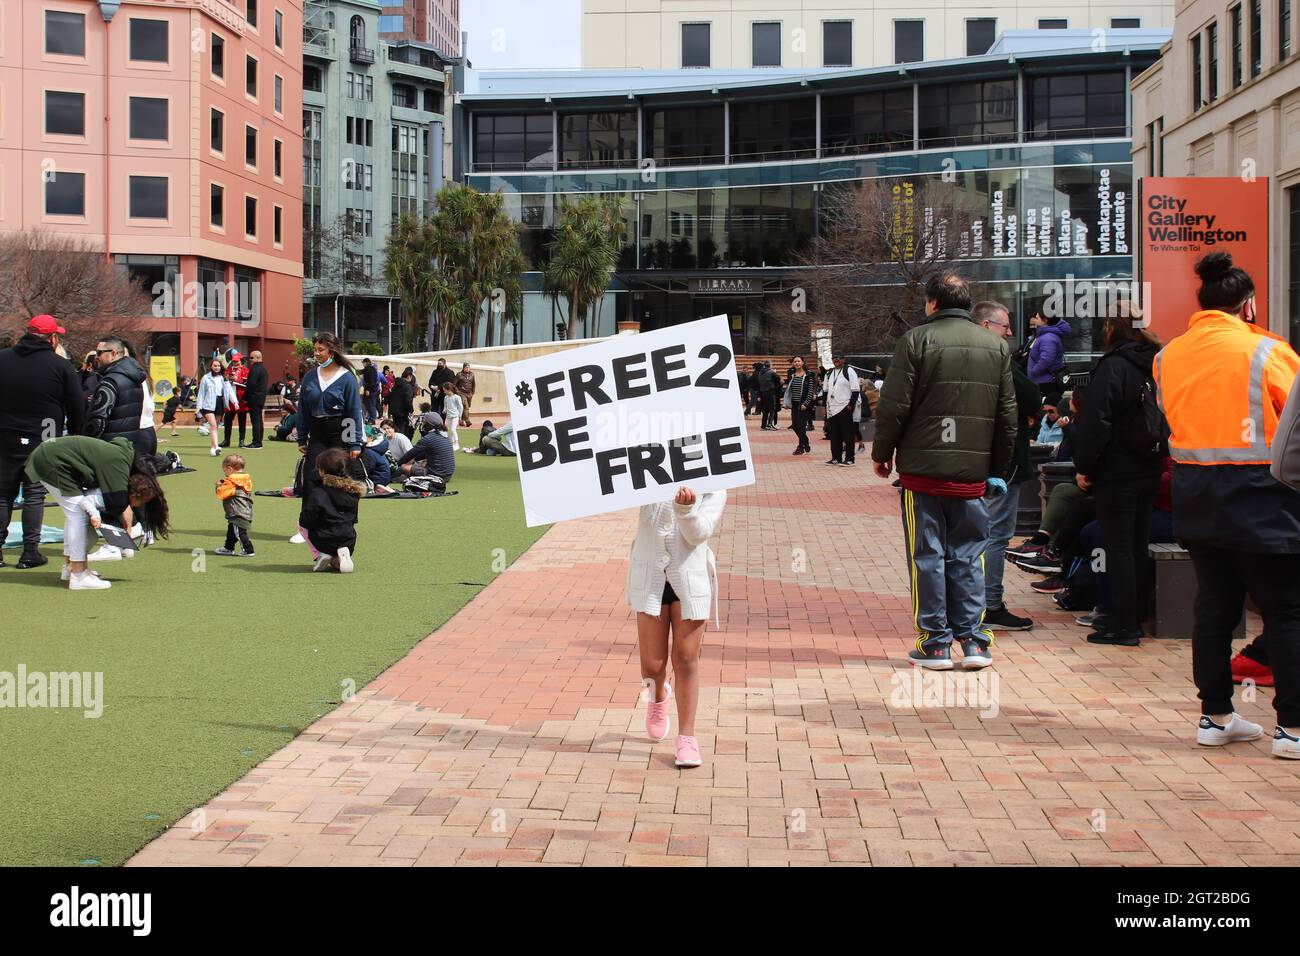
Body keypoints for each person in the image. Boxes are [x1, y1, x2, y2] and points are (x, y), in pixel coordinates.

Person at [1153, 251, 1300, 757]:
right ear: (1249, 305)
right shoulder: (1267, 352)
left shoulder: (1168, 356)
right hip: (1264, 501)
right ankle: (1293, 730)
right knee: (1286, 611)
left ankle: (1215, 717)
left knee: (1213, 609)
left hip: (1196, 499)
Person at [872, 271, 1016, 670]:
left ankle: (935, 643)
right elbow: (1007, 415)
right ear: (967, 305)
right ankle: (973, 641)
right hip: (972, 473)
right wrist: (999, 468)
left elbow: (893, 406)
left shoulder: (916, 341)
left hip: (923, 472)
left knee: (928, 556)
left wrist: (882, 454)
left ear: (932, 302)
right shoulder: (995, 346)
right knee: (970, 555)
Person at [1071, 305, 1163, 647]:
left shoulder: (1114, 366)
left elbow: (1099, 421)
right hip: (1150, 467)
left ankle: (1123, 625)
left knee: (1119, 548)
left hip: (1118, 470)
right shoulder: (1156, 362)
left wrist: (1086, 466)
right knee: (1136, 546)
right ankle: (1134, 616)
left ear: (1112, 327)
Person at [628, 485, 725, 769]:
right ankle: (658, 699)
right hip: (649, 577)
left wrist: (685, 509)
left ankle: (687, 737)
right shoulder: (645, 467)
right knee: (652, 665)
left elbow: (699, 534)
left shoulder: (715, 482)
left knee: (685, 658)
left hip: (689, 578)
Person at [24, 435, 169, 590]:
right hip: (51, 460)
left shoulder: (121, 459)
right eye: (142, 502)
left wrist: (123, 530)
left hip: (49, 455)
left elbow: (120, 505)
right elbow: (118, 504)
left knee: (76, 515)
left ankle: (71, 568)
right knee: (77, 516)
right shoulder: (117, 467)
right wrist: (98, 517)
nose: (140, 506)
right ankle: (78, 575)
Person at [973, 301, 1040, 632]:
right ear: (986, 326)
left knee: (968, 535)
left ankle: (969, 604)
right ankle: (990, 604)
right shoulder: (996, 359)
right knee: (996, 535)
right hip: (1001, 462)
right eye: (1005, 327)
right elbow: (1032, 397)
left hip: (967, 459)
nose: (1010, 333)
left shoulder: (960, 357)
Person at [0, 315, 85, 570]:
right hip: (44, 435)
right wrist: (78, 435)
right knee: (34, 493)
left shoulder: (3, 358)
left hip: (5, 434)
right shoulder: (60, 366)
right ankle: (30, 552)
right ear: (52, 338)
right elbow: (77, 406)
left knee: (3, 494)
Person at [296, 333, 365, 556]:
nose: (316, 354)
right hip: (317, 434)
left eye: (320, 350)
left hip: (340, 433)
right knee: (312, 478)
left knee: (343, 479)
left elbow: (353, 411)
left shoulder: (347, 378)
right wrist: (302, 437)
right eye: (315, 350)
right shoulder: (309, 377)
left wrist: (354, 443)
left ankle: (346, 523)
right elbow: (303, 409)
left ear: (332, 351)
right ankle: (307, 524)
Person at [85, 336, 155, 458]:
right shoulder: (136, 378)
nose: (96, 356)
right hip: (131, 443)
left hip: (110, 447)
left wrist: (85, 442)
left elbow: (97, 420)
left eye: (99, 352)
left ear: (113, 354)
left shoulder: (110, 381)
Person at [300, 447, 362, 573]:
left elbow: (307, 519)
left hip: (323, 539)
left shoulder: (317, 492)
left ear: (322, 470)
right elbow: (354, 518)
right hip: (348, 538)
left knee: (301, 524)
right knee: (341, 527)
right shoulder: (353, 491)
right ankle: (340, 557)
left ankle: (320, 555)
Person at [395, 413, 456, 486]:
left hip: (437, 476)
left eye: (424, 422)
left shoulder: (428, 438)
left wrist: (397, 464)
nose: (423, 424)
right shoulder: (445, 436)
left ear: (429, 425)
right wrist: (415, 459)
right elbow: (427, 453)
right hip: (448, 475)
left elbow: (411, 454)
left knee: (404, 467)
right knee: (422, 463)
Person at [821, 352, 860, 465]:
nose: (835, 360)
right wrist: (824, 406)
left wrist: (850, 405)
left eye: (837, 358)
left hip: (844, 406)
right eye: (833, 358)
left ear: (843, 359)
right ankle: (836, 457)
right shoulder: (829, 373)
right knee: (834, 434)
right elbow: (825, 391)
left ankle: (849, 458)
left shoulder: (849, 371)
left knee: (848, 434)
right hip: (831, 408)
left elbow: (856, 390)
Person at [214, 454, 255, 557]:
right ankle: (228, 547)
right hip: (246, 510)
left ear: (229, 468)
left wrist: (218, 485)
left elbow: (222, 494)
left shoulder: (231, 481)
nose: (225, 474)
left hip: (237, 512)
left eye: (225, 471)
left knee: (240, 533)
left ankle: (248, 549)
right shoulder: (245, 479)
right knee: (232, 530)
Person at [195, 359, 234, 457]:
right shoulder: (206, 378)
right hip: (208, 404)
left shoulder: (223, 378)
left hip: (219, 403)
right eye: (215, 366)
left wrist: (235, 401)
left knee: (215, 426)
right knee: (212, 425)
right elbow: (201, 393)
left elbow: (229, 390)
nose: (217, 367)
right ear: (211, 367)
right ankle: (215, 447)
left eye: (218, 366)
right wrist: (198, 407)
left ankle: (213, 447)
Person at [1027, 313, 1072, 388]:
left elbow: (1046, 360)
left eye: (1037, 318)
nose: (1035, 320)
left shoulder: (1048, 338)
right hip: (1042, 380)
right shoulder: (1045, 335)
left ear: (1045, 321)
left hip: (1045, 382)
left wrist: (1034, 371)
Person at [784, 356, 816, 455]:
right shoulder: (792, 374)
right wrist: (787, 402)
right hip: (794, 403)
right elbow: (789, 389)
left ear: (802, 362)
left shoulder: (809, 375)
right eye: (795, 361)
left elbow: (811, 391)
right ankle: (805, 442)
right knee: (794, 426)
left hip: (803, 404)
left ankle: (800, 447)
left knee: (801, 426)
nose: (797, 363)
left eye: (798, 361)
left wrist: (806, 403)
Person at [220, 351, 250, 448]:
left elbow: (247, 384)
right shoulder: (228, 370)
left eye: (237, 361)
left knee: (242, 422)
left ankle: (241, 441)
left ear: (241, 361)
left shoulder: (246, 371)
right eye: (234, 361)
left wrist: (237, 380)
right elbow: (224, 382)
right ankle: (226, 440)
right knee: (227, 420)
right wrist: (228, 379)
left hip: (241, 400)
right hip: (230, 401)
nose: (235, 363)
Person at [244, 351, 269, 449]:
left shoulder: (255, 369)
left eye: (251, 358)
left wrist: (245, 397)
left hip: (254, 397)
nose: (249, 360)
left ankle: (256, 442)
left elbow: (251, 384)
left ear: (257, 358)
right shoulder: (264, 369)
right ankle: (259, 441)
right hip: (261, 398)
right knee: (259, 420)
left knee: (255, 420)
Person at [388, 368, 416, 438]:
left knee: (396, 429)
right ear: (409, 376)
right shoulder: (407, 386)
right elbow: (408, 400)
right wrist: (411, 410)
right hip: (403, 412)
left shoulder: (395, 385)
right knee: (402, 431)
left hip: (394, 410)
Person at [440, 381, 464, 451]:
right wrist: (444, 410)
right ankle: (449, 443)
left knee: (453, 429)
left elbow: (460, 407)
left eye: (445, 390)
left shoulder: (457, 397)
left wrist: (460, 416)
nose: (444, 392)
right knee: (444, 430)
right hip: (448, 416)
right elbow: (445, 405)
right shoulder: (446, 397)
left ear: (449, 390)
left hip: (455, 416)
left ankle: (456, 444)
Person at [360, 357, 380, 425]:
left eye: (363, 363)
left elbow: (371, 381)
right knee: (368, 404)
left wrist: (368, 389)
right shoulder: (368, 369)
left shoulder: (370, 369)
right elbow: (360, 371)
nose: (363, 364)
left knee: (371, 405)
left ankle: (372, 420)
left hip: (371, 390)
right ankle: (370, 418)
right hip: (370, 389)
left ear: (366, 363)